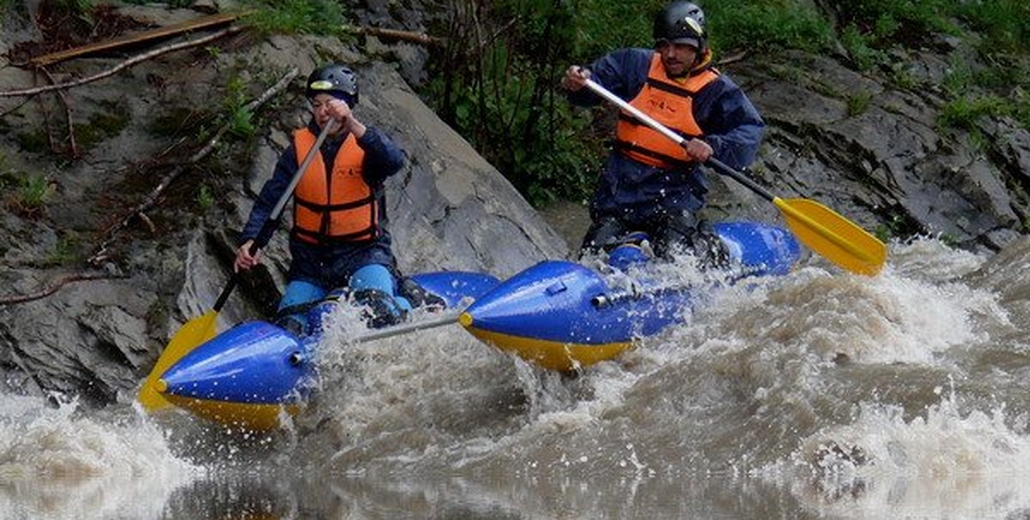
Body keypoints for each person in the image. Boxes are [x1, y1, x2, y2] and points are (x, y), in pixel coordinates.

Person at [561, 0, 765, 267]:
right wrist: (578, 83)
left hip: (674, 193)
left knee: (674, 257)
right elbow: (593, 84)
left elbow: (749, 131)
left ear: (699, 47)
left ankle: (705, 249)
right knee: (593, 256)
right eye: (664, 45)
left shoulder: (716, 90)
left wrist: (712, 146)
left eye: (681, 46)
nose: (670, 54)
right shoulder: (635, 64)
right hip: (620, 189)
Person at [234, 63, 413, 332]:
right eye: (317, 105)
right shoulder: (299, 149)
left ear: (347, 104)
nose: (322, 112)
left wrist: (351, 123)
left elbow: (394, 161)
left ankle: (405, 302)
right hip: (311, 263)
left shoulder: (366, 144)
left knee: (380, 313)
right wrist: (252, 240)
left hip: (363, 254)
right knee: (291, 326)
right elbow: (272, 200)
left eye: (330, 104)